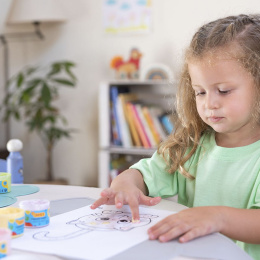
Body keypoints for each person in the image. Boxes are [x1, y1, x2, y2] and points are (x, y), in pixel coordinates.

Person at [92, 14, 260, 259]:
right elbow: (144, 173)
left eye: (223, 91)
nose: (210, 103)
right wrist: (125, 185)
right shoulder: (192, 145)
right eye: (200, 92)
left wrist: (217, 217)